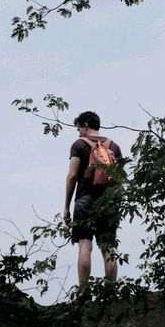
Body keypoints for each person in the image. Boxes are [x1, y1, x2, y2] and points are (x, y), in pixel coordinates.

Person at [63, 111, 122, 285]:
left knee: (84, 245)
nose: (78, 132)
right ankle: (110, 291)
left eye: (79, 128)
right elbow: (119, 179)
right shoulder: (114, 146)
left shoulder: (78, 145)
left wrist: (66, 205)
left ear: (86, 125)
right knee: (108, 247)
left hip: (84, 199)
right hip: (109, 201)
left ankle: (84, 291)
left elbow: (72, 176)